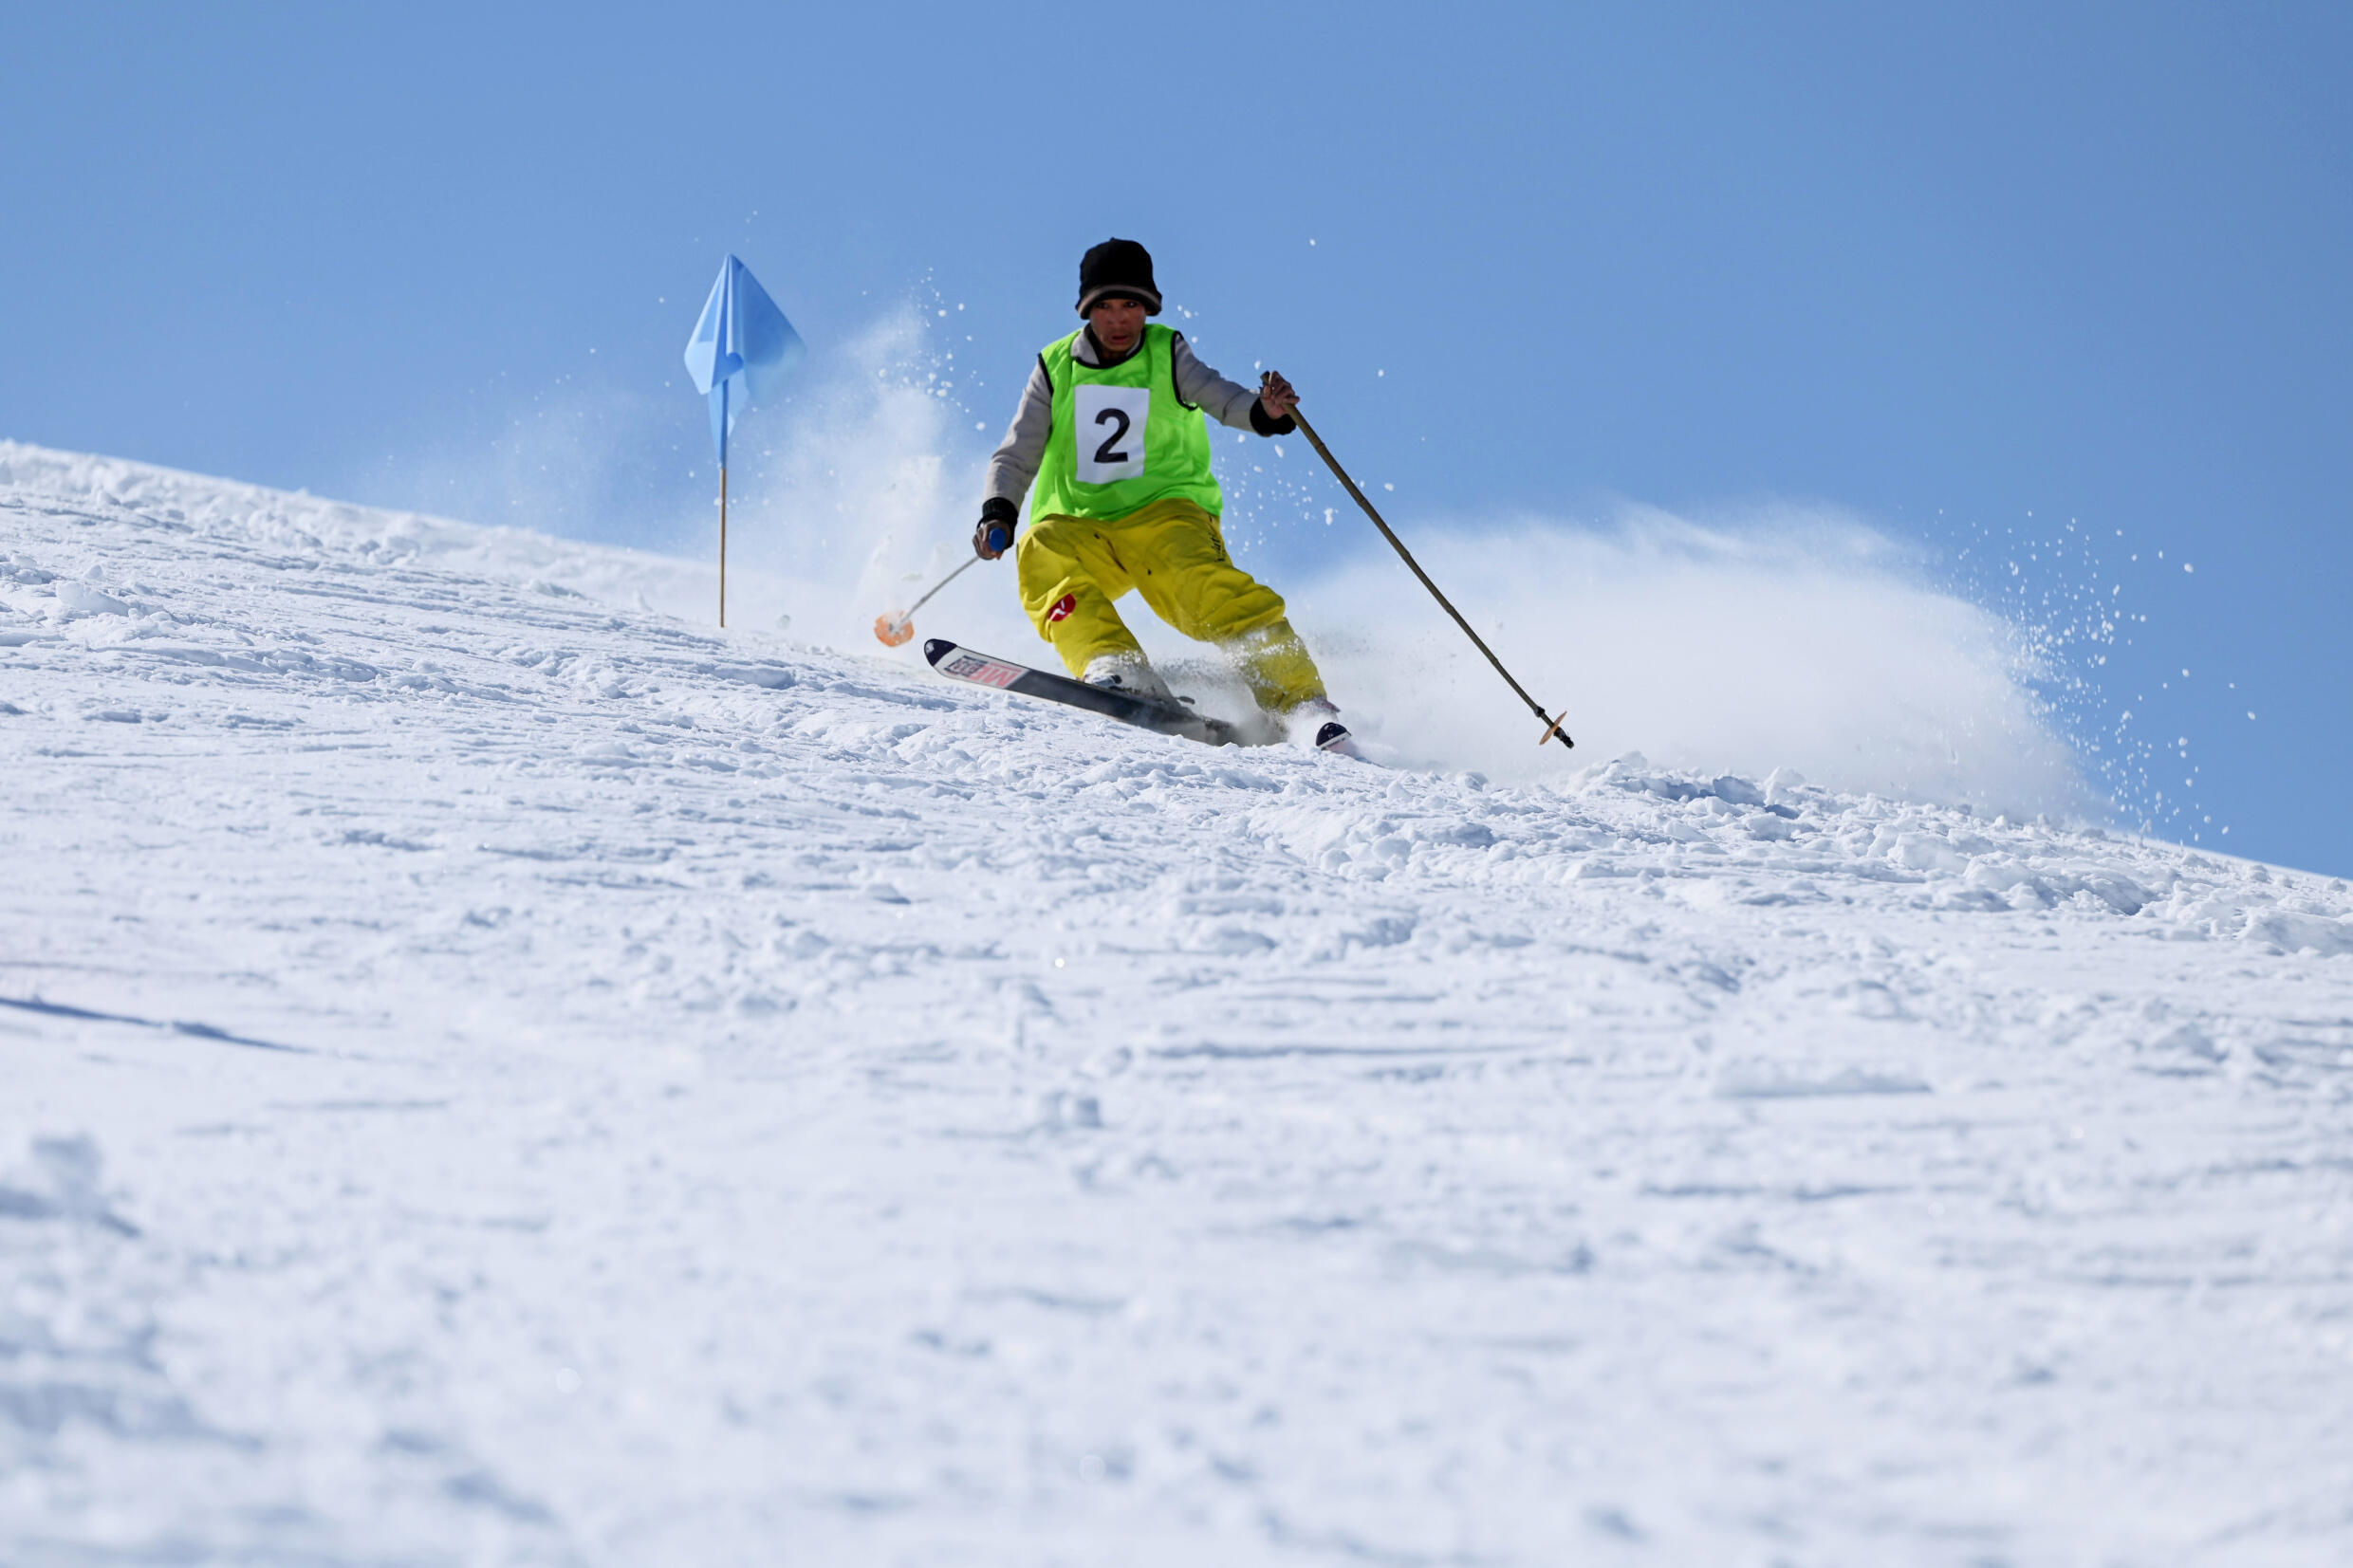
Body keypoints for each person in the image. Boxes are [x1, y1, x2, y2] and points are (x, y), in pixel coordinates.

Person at [973, 238, 1351, 751]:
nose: (1118, 320)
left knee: (1208, 590)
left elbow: (1223, 399)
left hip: (1166, 517)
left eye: (1130, 305)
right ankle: (1115, 665)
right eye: (1104, 307)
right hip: (1080, 523)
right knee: (1040, 552)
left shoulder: (1167, 352)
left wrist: (1266, 412)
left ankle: (1301, 704)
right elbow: (1016, 454)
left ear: (1148, 307)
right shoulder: (1055, 366)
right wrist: (999, 510)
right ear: (1087, 311)